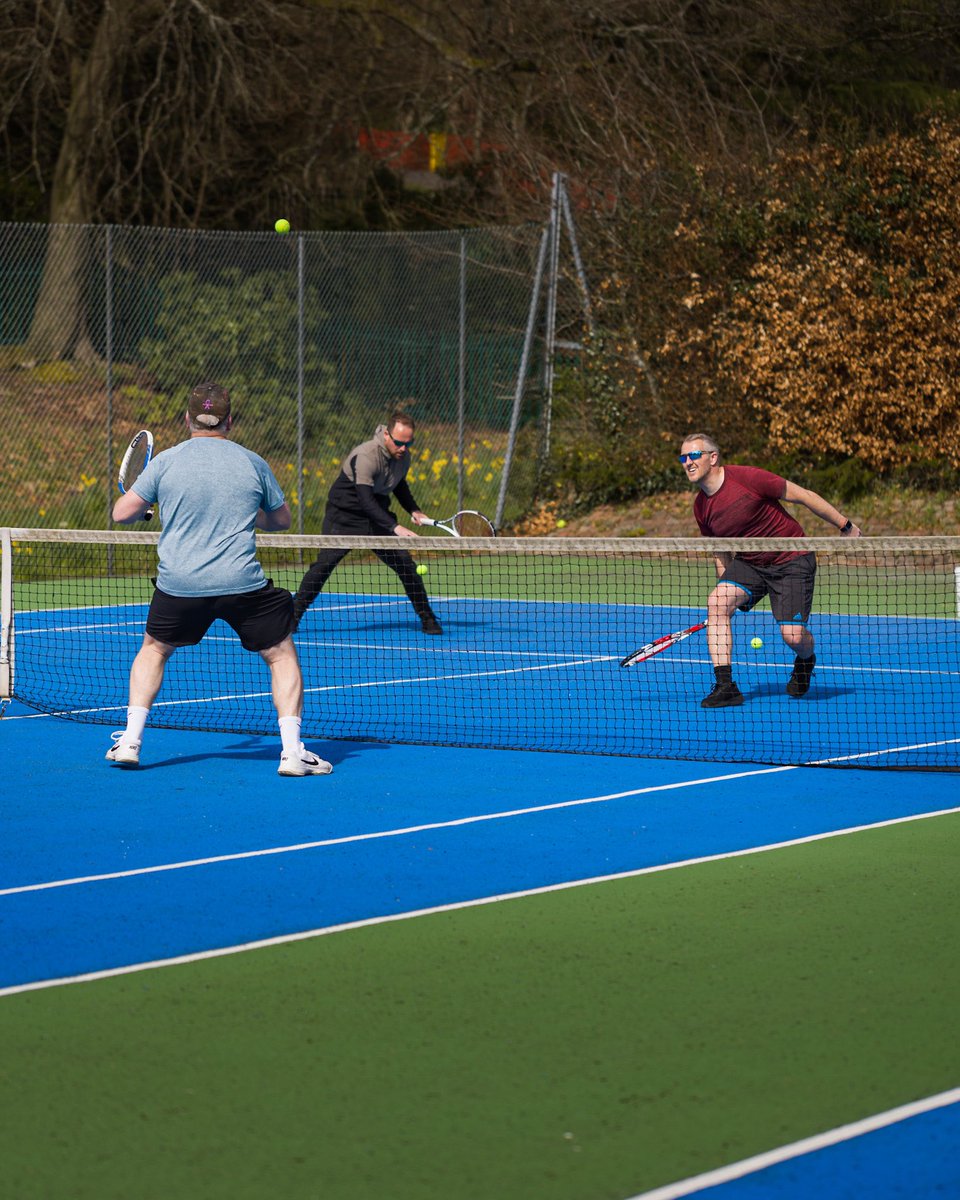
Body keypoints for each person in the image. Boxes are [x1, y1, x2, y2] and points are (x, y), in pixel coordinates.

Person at [108, 381, 332, 777]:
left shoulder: (166, 462)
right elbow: (281, 521)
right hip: (241, 584)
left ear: (187, 418)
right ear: (230, 420)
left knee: (155, 649)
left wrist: (149, 505)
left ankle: (130, 741)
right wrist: (249, 514)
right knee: (280, 654)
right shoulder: (252, 462)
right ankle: (292, 752)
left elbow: (121, 513)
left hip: (179, 585)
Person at [679, 433, 862, 708]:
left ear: (713, 458)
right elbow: (719, 549)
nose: (688, 462)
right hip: (751, 563)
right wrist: (727, 589)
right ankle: (726, 687)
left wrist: (845, 526)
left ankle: (805, 660)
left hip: (792, 560)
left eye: (694, 455)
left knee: (794, 636)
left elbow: (804, 496)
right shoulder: (701, 507)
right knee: (716, 602)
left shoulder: (748, 478)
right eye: (683, 457)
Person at [292, 409, 442, 633]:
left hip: (377, 514)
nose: (404, 449)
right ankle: (292, 617)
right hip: (344, 516)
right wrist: (395, 527)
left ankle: (427, 618)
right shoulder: (366, 455)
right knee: (324, 566)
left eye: (408, 444)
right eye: (400, 443)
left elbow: (399, 485)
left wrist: (414, 510)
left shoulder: (403, 456)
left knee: (405, 565)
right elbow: (364, 499)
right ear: (386, 436)